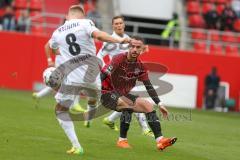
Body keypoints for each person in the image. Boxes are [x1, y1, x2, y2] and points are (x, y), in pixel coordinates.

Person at [47, 5, 129, 155]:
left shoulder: (57, 32)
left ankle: (77, 146)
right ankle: (135, 108)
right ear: (82, 15)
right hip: (92, 75)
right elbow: (99, 36)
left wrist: (53, 57)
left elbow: (50, 46)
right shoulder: (85, 23)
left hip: (72, 79)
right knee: (114, 102)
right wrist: (118, 40)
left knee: (60, 110)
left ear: (68, 16)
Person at [100, 36, 177, 150]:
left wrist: (160, 104)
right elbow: (103, 74)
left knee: (148, 106)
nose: (135, 49)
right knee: (128, 104)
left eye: (138, 47)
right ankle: (122, 140)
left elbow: (149, 87)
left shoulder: (140, 67)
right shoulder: (118, 59)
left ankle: (160, 140)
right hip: (107, 94)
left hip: (122, 95)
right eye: (132, 46)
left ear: (142, 50)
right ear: (129, 47)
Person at [96, 15, 154, 137]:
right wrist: (105, 70)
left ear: (124, 24)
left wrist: (143, 49)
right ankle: (145, 128)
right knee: (134, 99)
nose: (118, 25)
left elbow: (134, 52)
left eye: (120, 23)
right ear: (113, 26)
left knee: (130, 101)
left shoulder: (128, 39)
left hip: (128, 76)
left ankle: (110, 120)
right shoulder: (110, 41)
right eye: (116, 24)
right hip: (116, 78)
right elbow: (99, 56)